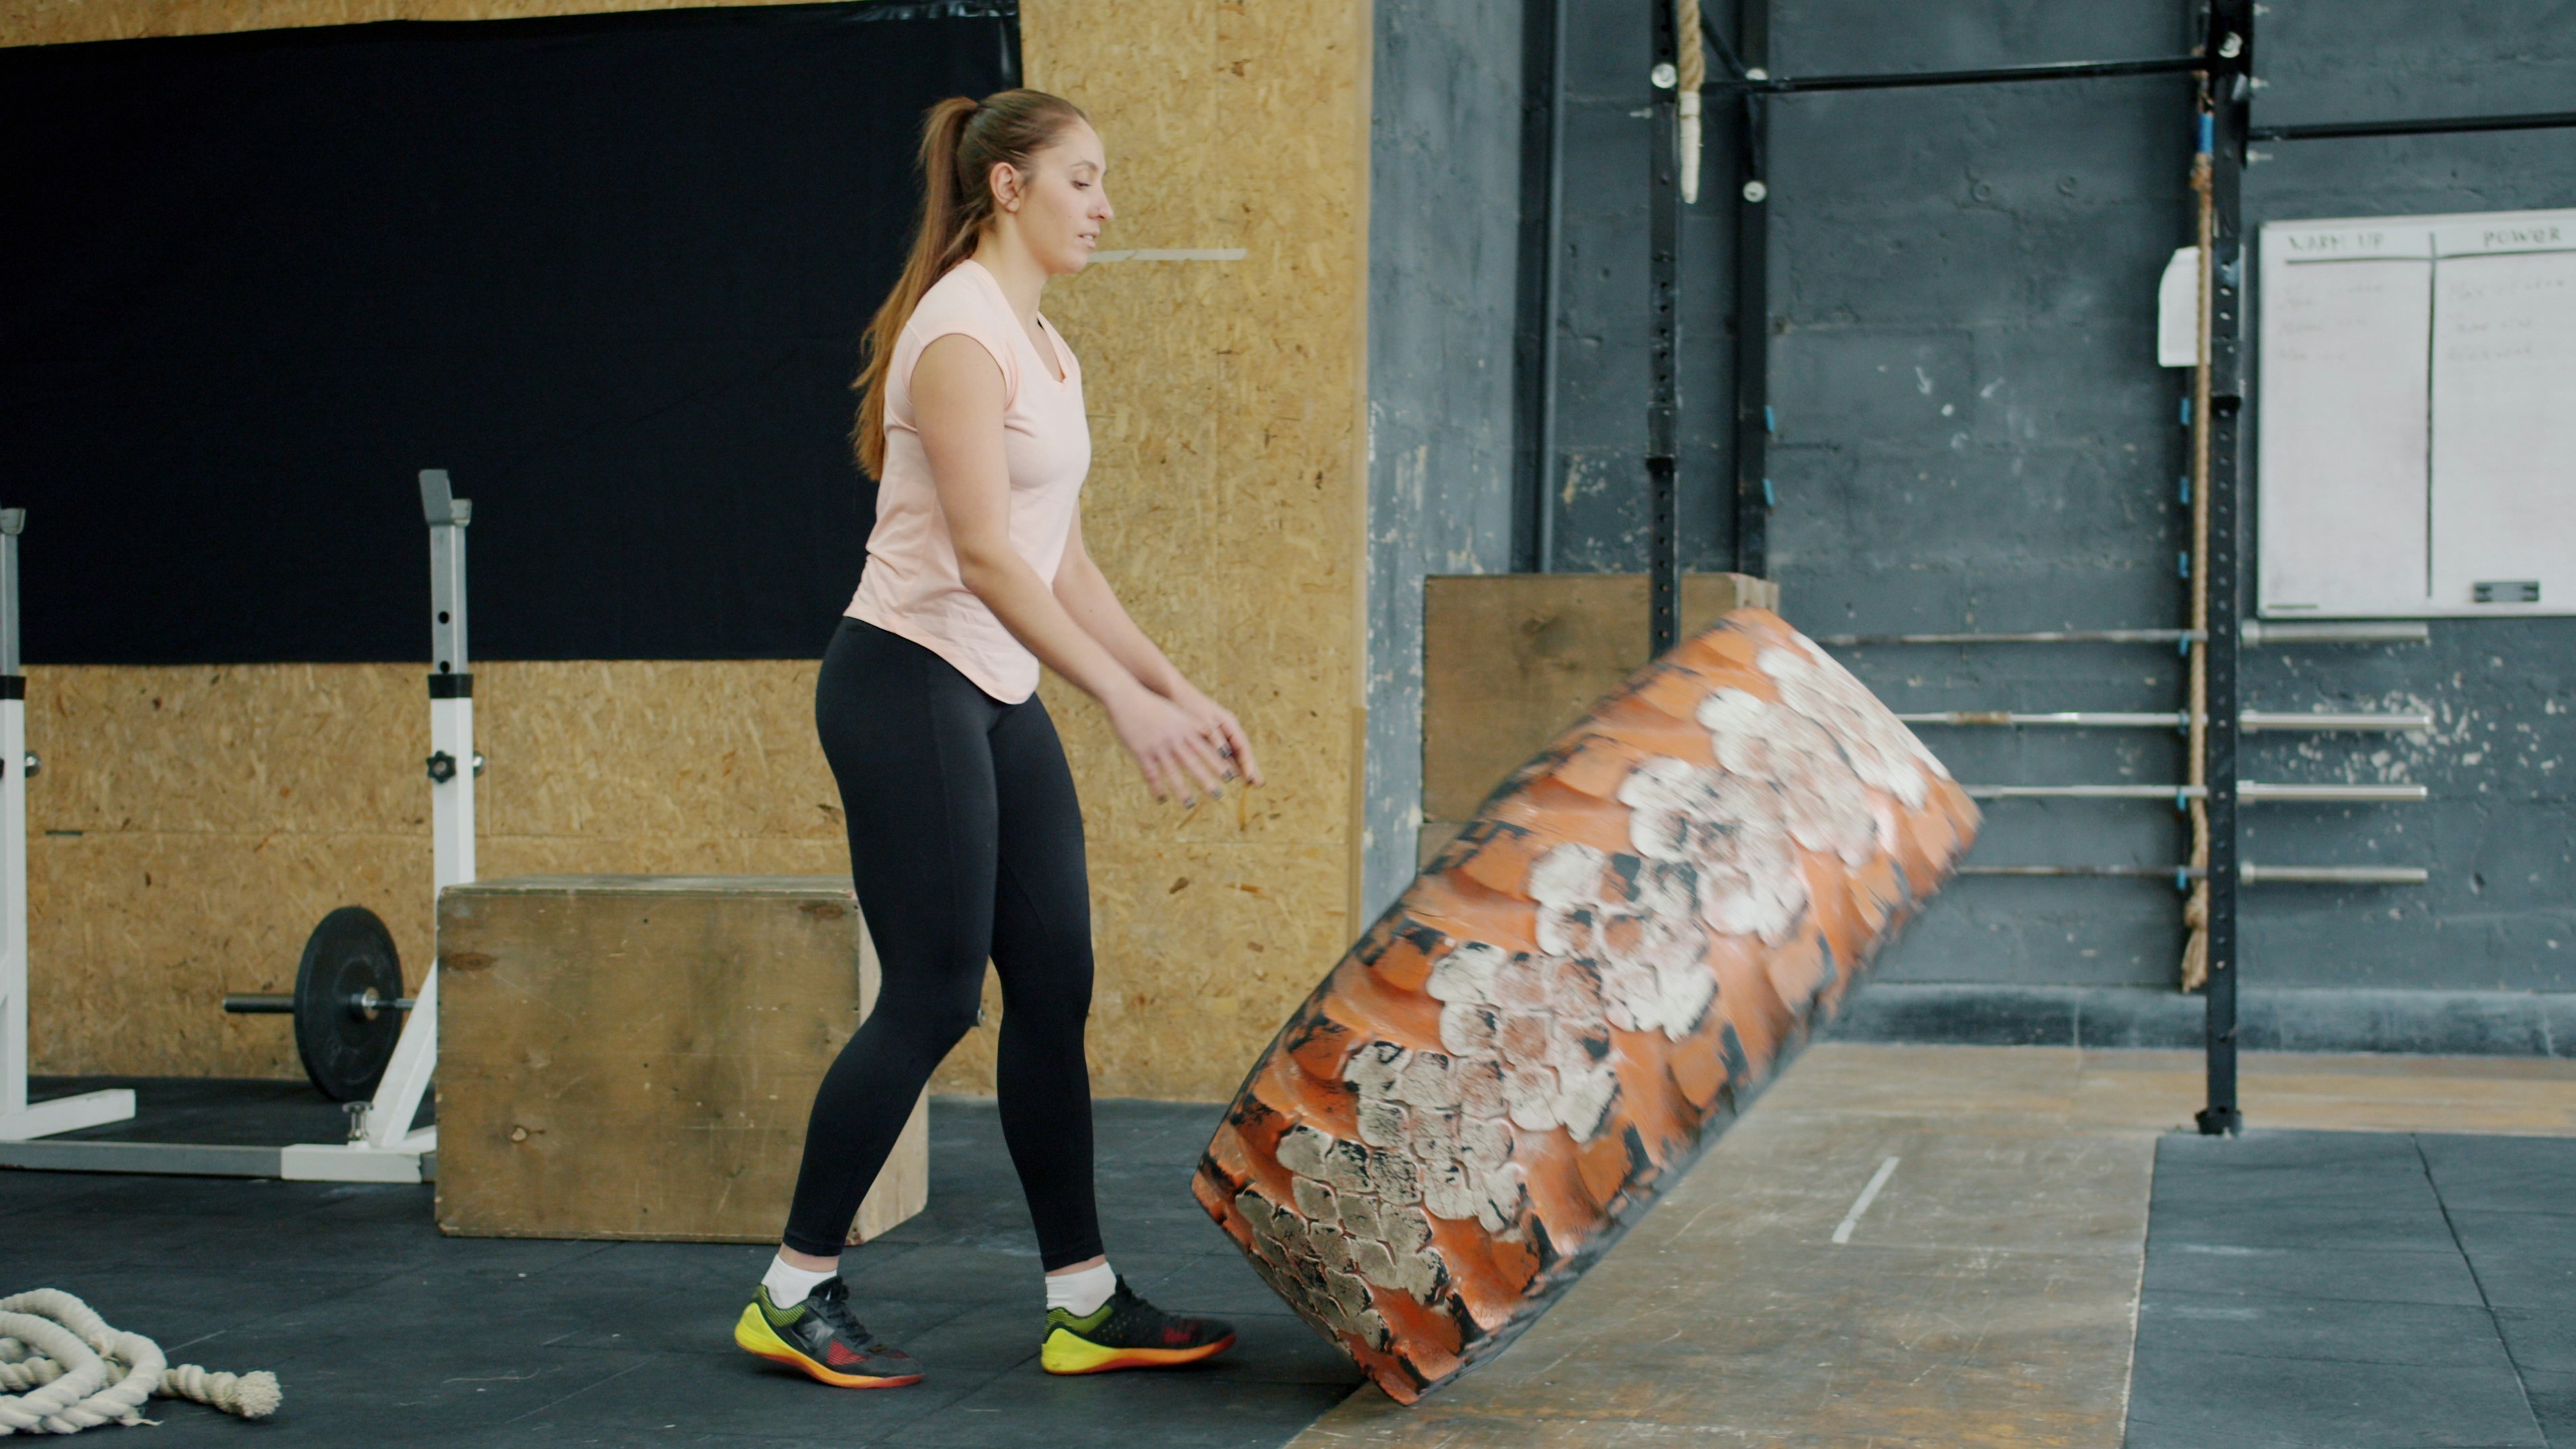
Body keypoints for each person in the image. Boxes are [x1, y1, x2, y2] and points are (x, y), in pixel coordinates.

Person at [732, 89, 1263, 1389]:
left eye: (1104, 180)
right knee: (932, 993)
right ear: (1009, 187)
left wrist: (1172, 685)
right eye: (1082, 179)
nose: (1106, 204)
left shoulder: (1046, 346)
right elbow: (977, 558)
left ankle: (1082, 1298)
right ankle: (792, 1288)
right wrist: (1119, 707)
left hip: (994, 690)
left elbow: (1057, 558)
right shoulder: (960, 333)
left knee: (1057, 978)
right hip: (904, 678)